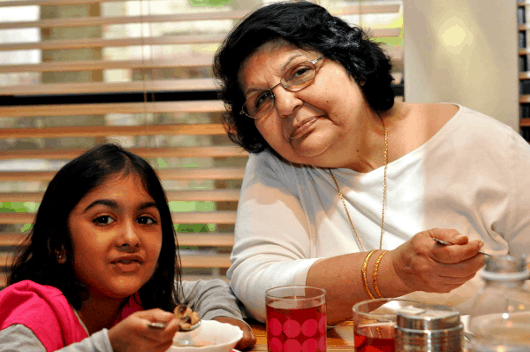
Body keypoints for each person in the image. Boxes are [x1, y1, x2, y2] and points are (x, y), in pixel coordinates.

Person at [213, 1, 530, 324]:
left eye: (300, 72)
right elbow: (257, 288)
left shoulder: (485, 144)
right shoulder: (275, 162)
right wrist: (391, 271)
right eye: (261, 99)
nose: (284, 104)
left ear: (353, 65)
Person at [0, 143, 256, 352]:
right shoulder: (37, 313)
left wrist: (224, 322)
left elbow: (208, 289)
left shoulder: (139, 297)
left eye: (145, 220)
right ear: (58, 245)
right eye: (104, 219)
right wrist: (111, 347)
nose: (130, 238)